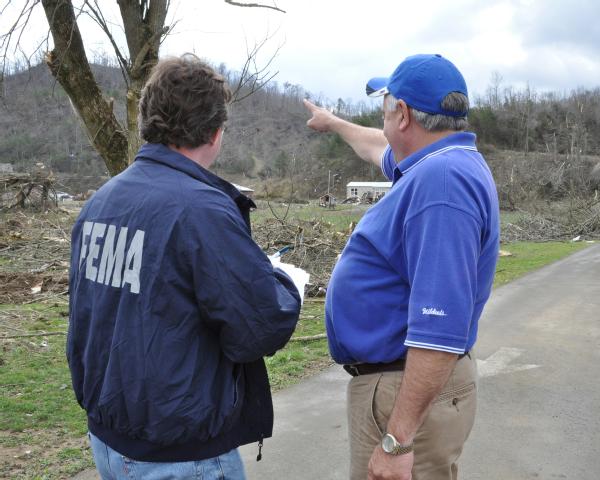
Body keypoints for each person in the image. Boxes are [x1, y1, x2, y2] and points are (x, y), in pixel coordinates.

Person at [67, 54, 301, 480]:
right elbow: (260, 325)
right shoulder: (201, 208)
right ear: (215, 132)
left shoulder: (100, 202)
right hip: (179, 455)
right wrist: (286, 281)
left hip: (109, 440)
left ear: (147, 122)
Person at [304, 54, 500, 480]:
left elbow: (439, 329)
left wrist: (397, 441)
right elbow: (377, 145)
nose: (383, 117)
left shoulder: (442, 183)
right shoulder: (436, 162)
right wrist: (334, 123)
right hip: (400, 384)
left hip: (403, 391)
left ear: (403, 115)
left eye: (386, 106)